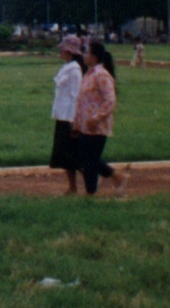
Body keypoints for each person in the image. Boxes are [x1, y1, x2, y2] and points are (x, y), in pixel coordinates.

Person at [73, 39, 128, 197]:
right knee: (86, 159)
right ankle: (112, 179)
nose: (84, 55)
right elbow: (82, 100)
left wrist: (95, 118)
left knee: (90, 159)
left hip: (97, 126)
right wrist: (77, 122)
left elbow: (110, 100)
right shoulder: (89, 74)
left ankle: (97, 189)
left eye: (87, 52)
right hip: (86, 125)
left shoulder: (102, 75)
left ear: (94, 57)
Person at [48, 35, 86, 194]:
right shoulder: (67, 67)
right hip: (62, 116)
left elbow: (76, 96)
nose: (60, 52)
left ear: (69, 51)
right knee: (65, 157)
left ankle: (89, 184)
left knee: (73, 157)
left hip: (69, 118)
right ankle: (72, 188)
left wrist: (74, 120)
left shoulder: (75, 70)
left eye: (63, 49)